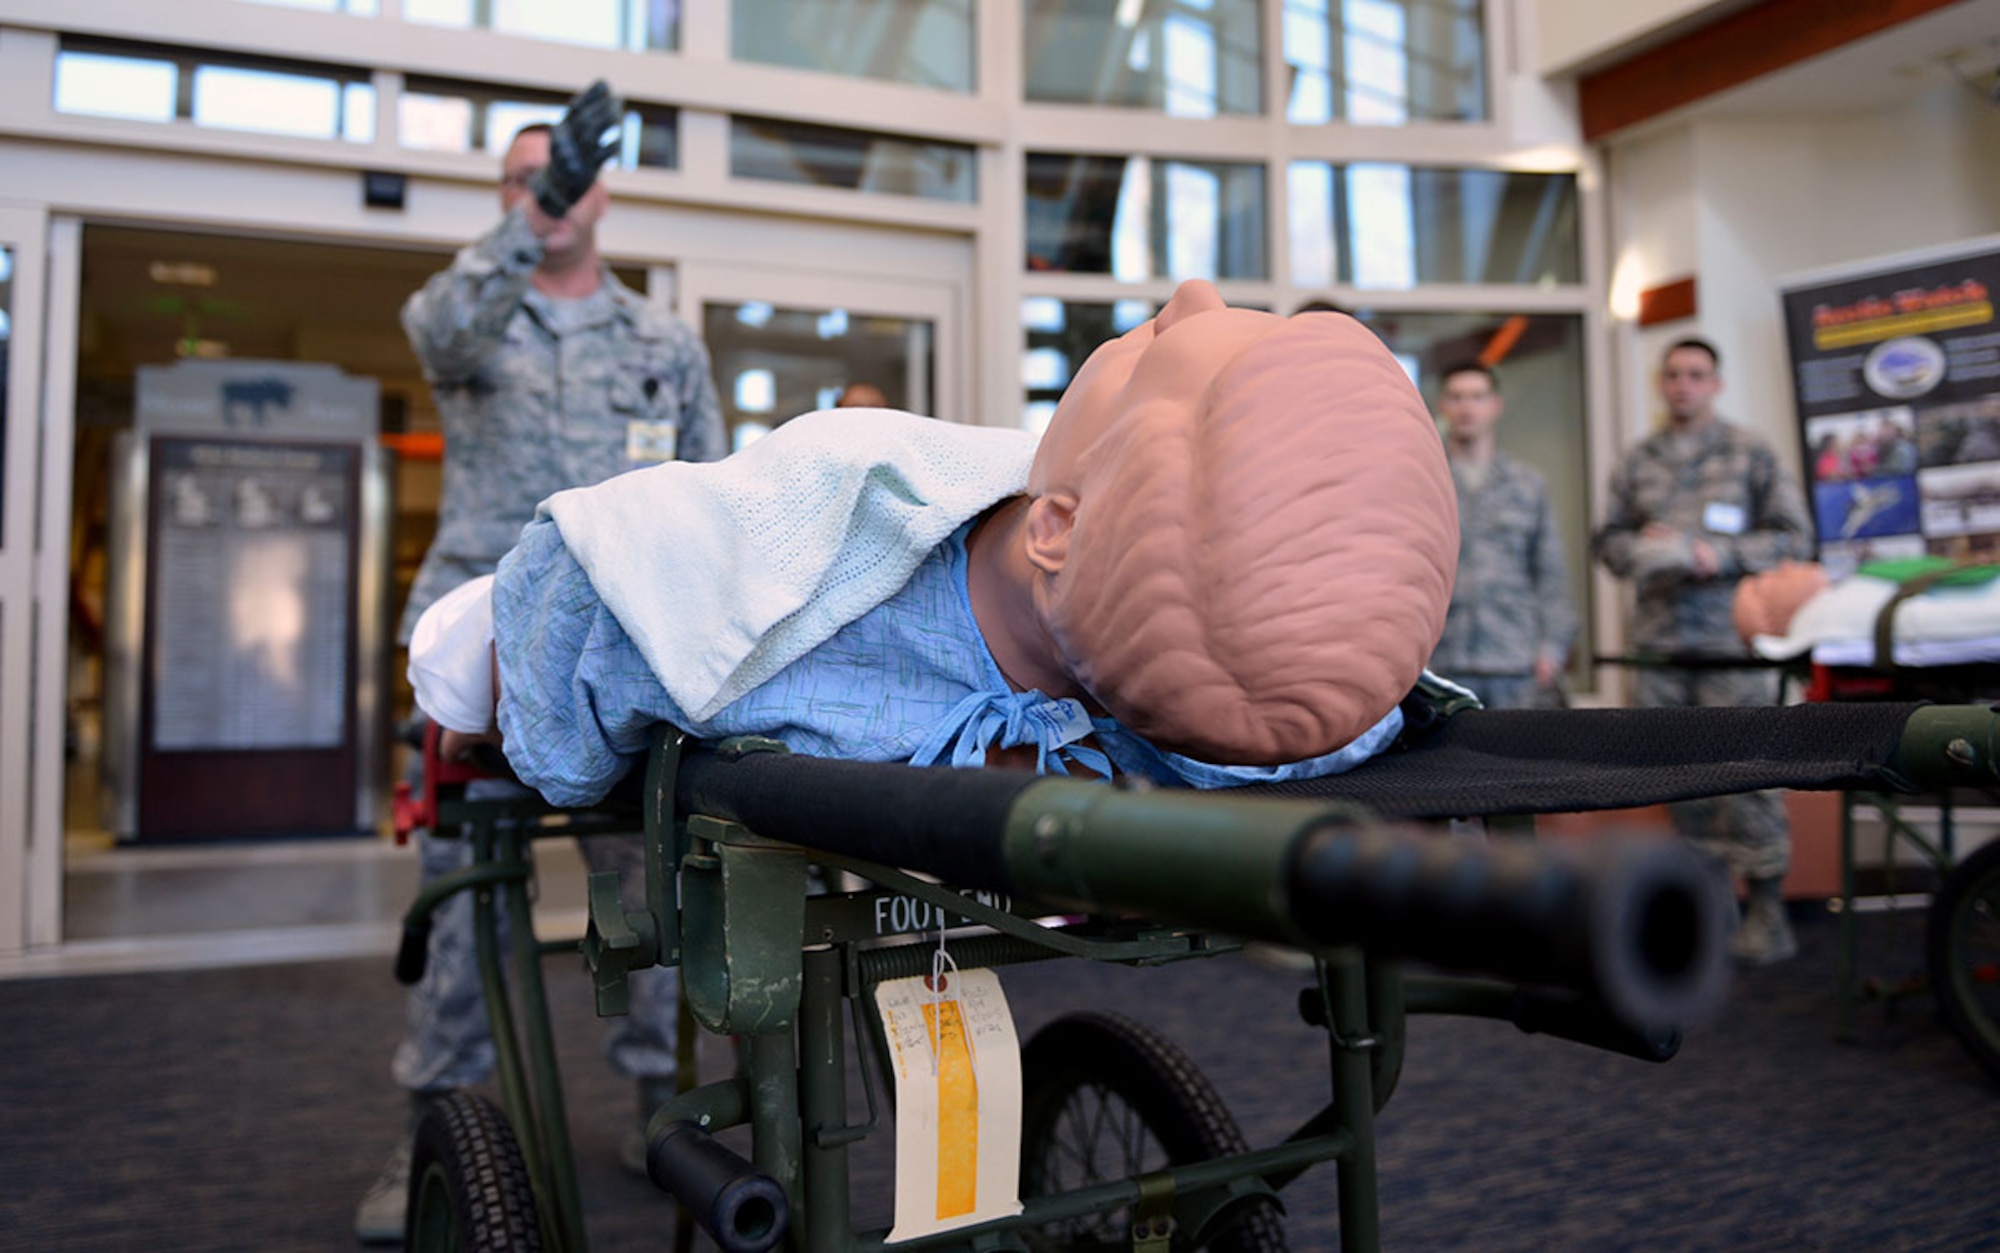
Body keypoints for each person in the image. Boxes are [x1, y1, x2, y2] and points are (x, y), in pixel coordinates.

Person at [411, 281, 1462, 808]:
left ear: (1056, 526)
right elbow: (1348, 699)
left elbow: (570, 623)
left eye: (1154, 351)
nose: (1189, 296)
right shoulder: (1251, 719)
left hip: (543, 616)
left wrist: (473, 693)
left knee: (470, 658)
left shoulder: (827, 511)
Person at [356, 82, 727, 1244]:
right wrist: (529, 215)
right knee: (466, 903)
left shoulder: (662, 341)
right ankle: (432, 1122)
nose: (548, 193)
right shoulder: (475, 321)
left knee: (646, 885)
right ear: (507, 201)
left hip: (619, 654)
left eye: (562, 177)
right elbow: (435, 327)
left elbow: (708, 495)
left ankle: (658, 1103)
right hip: (486, 653)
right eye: (524, 180)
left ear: (605, 192)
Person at [1593, 337, 1813, 965]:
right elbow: (1607, 543)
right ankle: (1712, 908)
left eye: (1696, 374)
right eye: (1673, 375)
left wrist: (1715, 553)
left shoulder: (1749, 453)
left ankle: (1767, 907)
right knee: (1681, 782)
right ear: (1660, 384)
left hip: (1734, 649)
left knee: (1748, 778)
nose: (1683, 384)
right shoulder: (1638, 460)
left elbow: (1793, 538)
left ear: (1716, 383)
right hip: (1660, 650)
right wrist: (1643, 549)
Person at [1427, 362, 1577, 710]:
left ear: (1496, 405)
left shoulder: (1527, 484)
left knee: (1518, 763)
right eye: (1457, 397)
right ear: (1441, 405)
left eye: (1477, 397)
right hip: (1444, 661)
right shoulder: (1426, 483)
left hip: (1516, 662)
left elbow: (1549, 571)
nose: (1467, 408)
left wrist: (1553, 648)